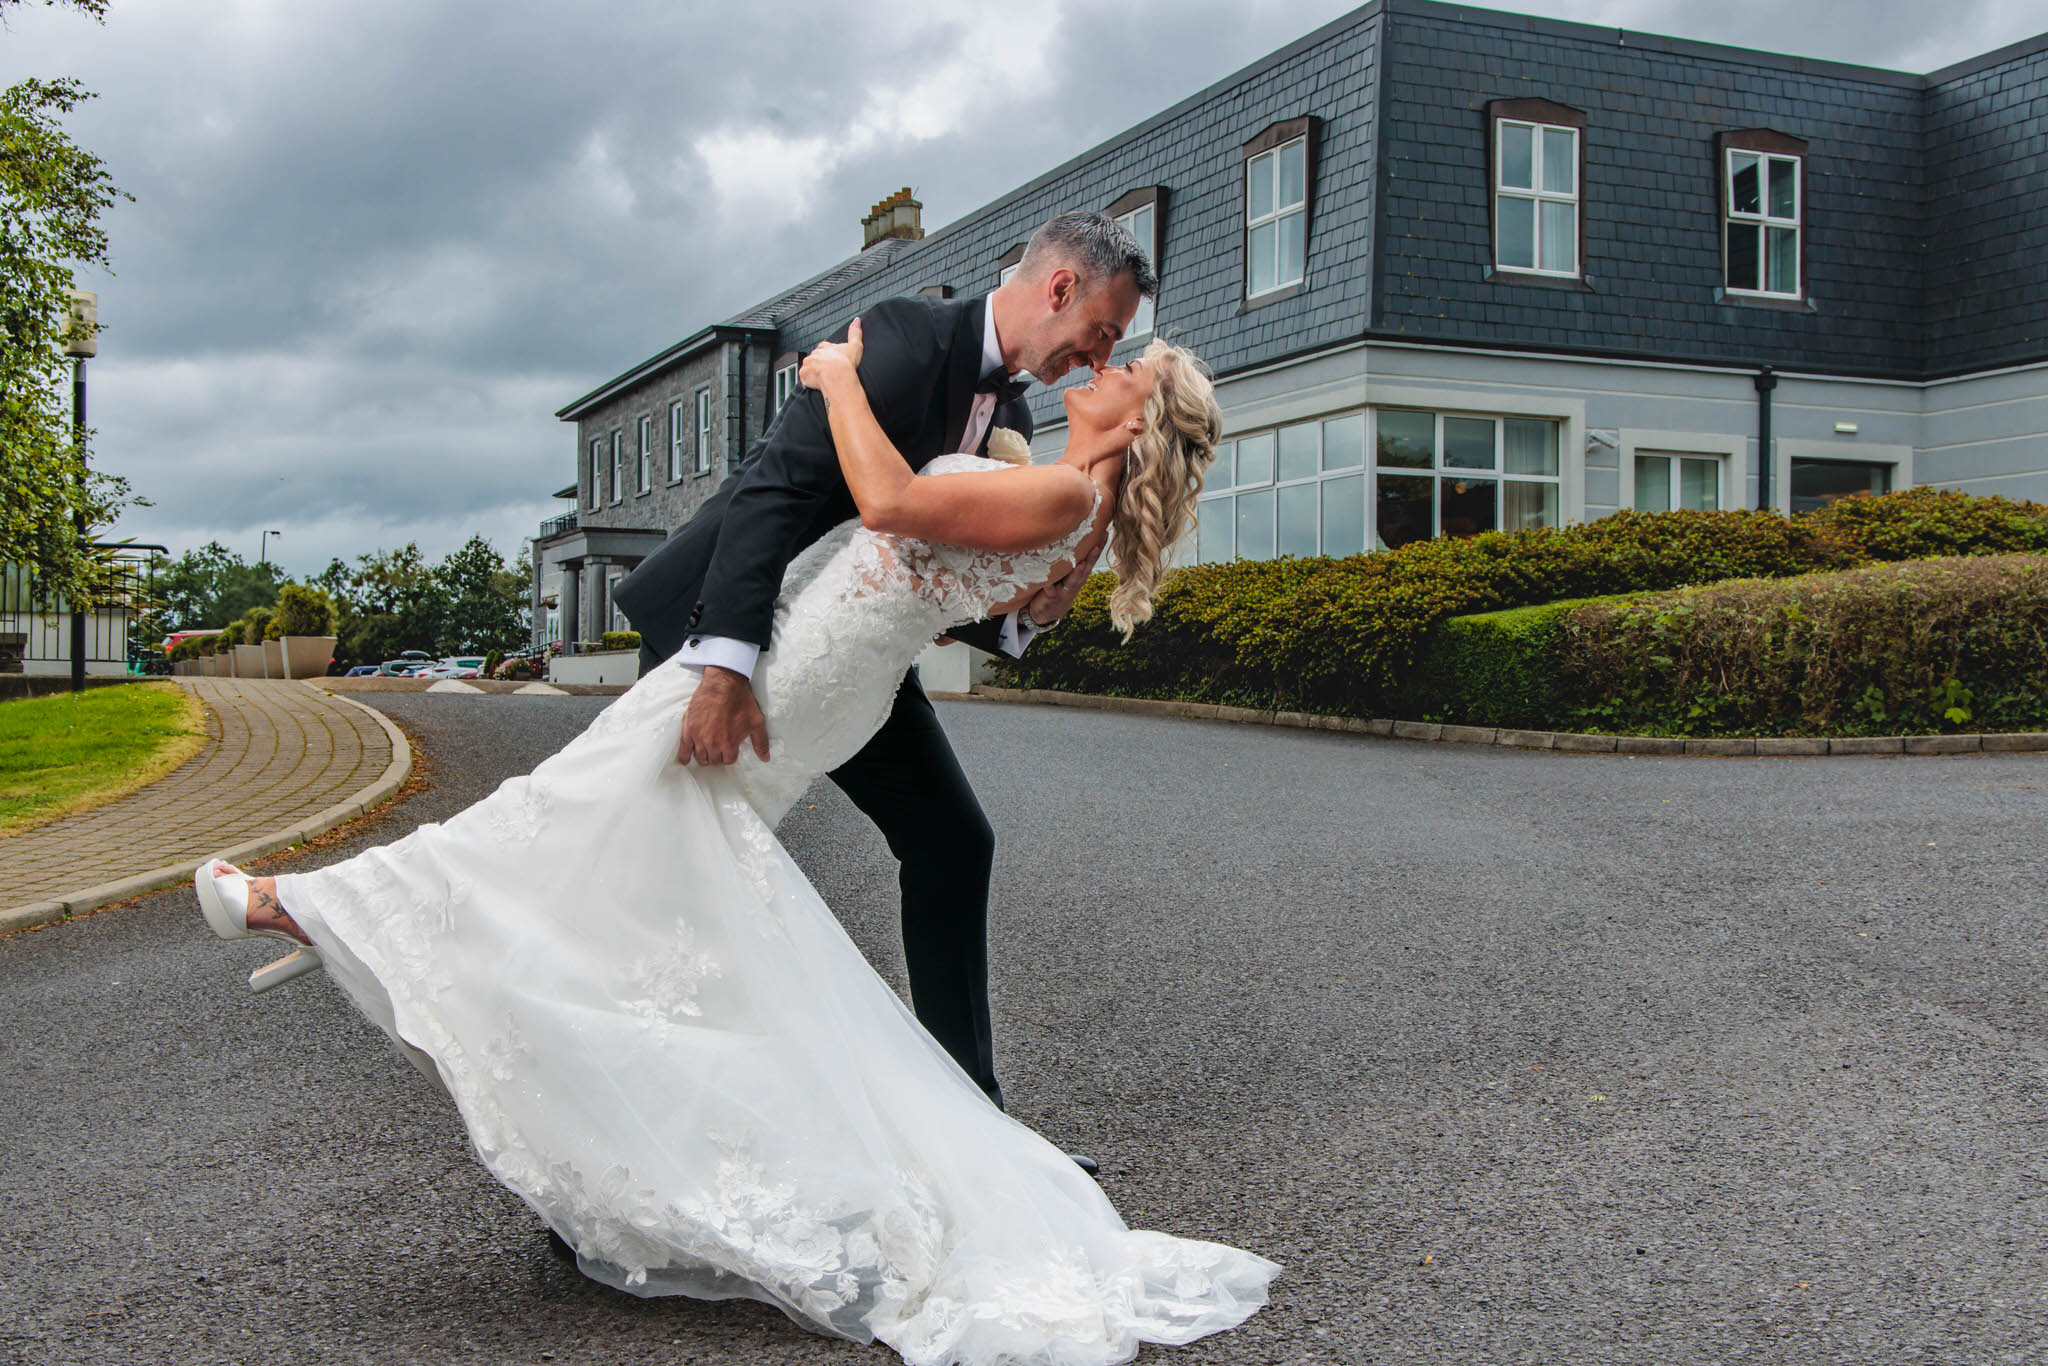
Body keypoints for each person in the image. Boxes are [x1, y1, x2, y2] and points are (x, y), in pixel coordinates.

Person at [193, 319, 1280, 1364]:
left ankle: (307, 906)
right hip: (822, 675)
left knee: (563, 813)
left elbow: (894, 502)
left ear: (1141, 419)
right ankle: (365, 938)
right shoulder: (1055, 489)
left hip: (794, 678)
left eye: (1132, 366)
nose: (1109, 363)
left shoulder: (1057, 488)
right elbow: (965, 589)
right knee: (602, 856)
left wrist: (835, 379)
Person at [612, 211, 1151, 1128]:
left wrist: (1033, 607)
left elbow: (954, 574)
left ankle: (973, 1131)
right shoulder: (901, 337)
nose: (1100, 360)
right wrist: (723, 670)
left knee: (951, 841)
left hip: (845, 653)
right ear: (1060, 288)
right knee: (670, 879)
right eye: (1103, 331)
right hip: (726, 628)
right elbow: (773, 492)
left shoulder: (1012, 415)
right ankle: (625, 1138)